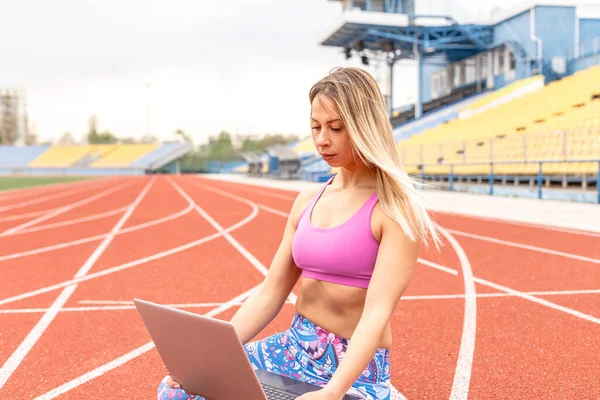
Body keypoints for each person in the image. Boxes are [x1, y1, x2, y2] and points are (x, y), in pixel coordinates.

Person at [157, 67, 440, 400]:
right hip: (292, 349)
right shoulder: (307, 201)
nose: (322, 139)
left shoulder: (394, 210)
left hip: (356, 370)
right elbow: (271, 291)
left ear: (366, 127)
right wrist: (211, 359)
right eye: (315, 127)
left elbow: (376, 313)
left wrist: (332, 392)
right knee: (180, 391)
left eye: (336, 128)